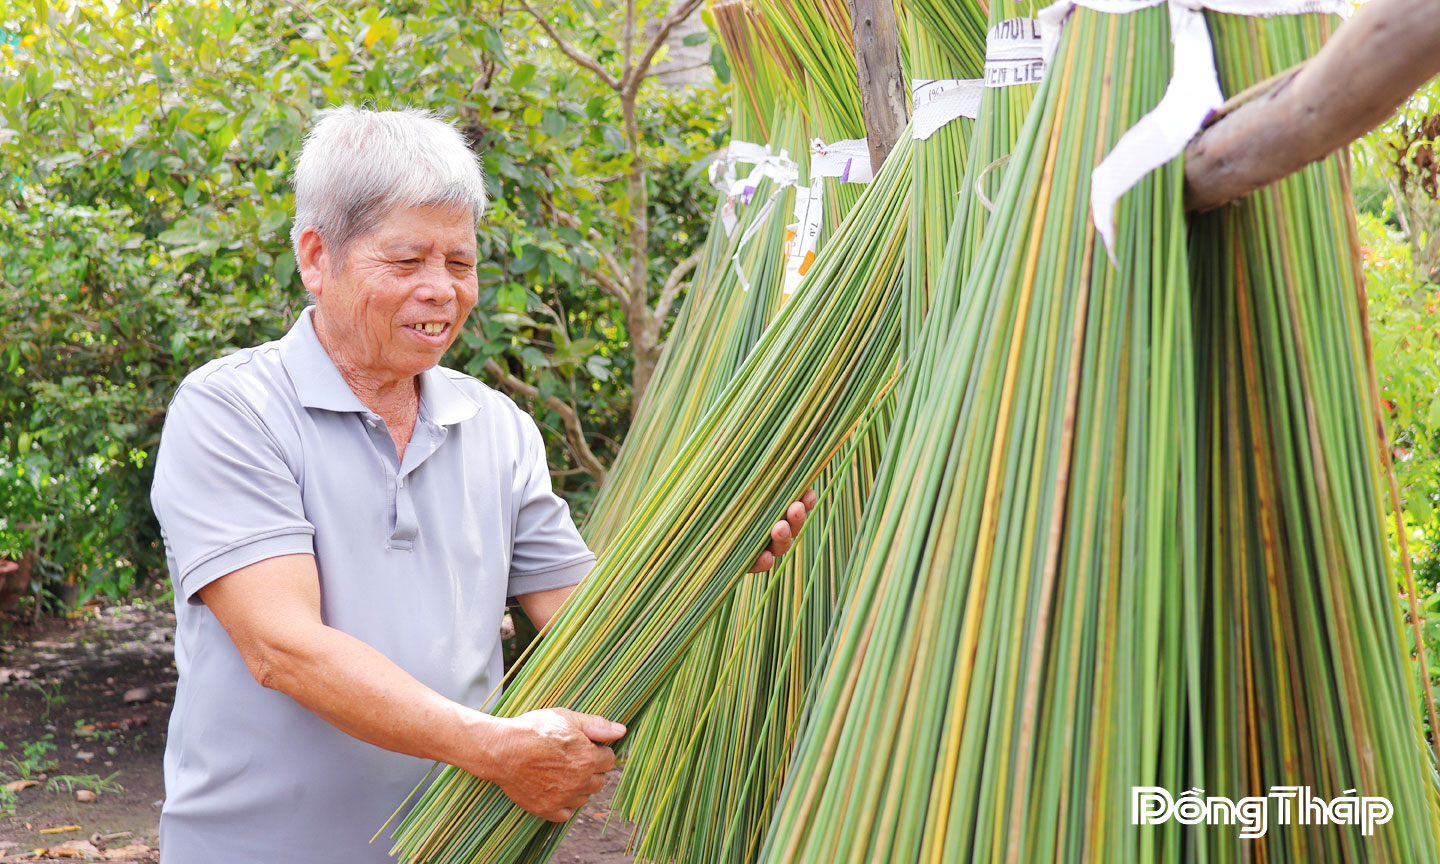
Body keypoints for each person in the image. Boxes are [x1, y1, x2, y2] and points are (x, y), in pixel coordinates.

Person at [148, 106, 816, 862]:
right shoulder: (232, 410)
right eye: (406, 262)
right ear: (316, 257)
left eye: (459, 263)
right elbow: (283, 647)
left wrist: (710, 559)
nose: (442, 290)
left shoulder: (494, 425)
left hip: (463, 848)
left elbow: (577, 611)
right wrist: (496, 747)